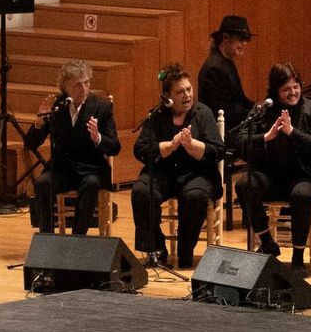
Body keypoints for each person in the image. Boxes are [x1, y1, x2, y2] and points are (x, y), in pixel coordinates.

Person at [232, 63, 311, 278]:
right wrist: (265, 137)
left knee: (301, 194)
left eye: (296, 86)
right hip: (271, 176)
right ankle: (267, 242)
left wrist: (292, 131)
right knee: (243, 184)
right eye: (286, 89)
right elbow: (239, 141)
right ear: (276, 91)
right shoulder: (263, 110)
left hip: (305, 176)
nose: (293, 92)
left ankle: (298, 257)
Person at [131, 63, 224, 269]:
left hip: (197, 174)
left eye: (189, 89)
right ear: (167, 97)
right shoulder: (156, 116)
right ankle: (155, 248)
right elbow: (140, 149)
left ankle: (185, 251)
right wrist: (168, 146)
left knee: (195, 196)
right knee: (141, 191)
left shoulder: (203, 113)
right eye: (180, 92)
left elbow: (218, 150)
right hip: (164, 173)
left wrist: (192, 145)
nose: (187, 95)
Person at [26, 59, 119, 235]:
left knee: (90, 184)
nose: (84, 89)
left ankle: (77, 238)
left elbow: (114, 147)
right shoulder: (57, 107)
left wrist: (98, 138)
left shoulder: (102, 107)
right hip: (63, 169)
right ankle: (46, 237)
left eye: (87, 83)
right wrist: (39, 123)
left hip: (92, 170)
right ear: (65, 87)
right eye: (77, 85)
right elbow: (30, 144)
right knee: (42, 183)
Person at [196, 15, 254, 137]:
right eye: (241, 39)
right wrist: (253, 112)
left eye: (246, 39)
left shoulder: (225, 62)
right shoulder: (214, 68)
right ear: (226, 37)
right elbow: (223, 110)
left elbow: (239, 99)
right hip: (221, 134)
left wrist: (257, 107)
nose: (244, 43)